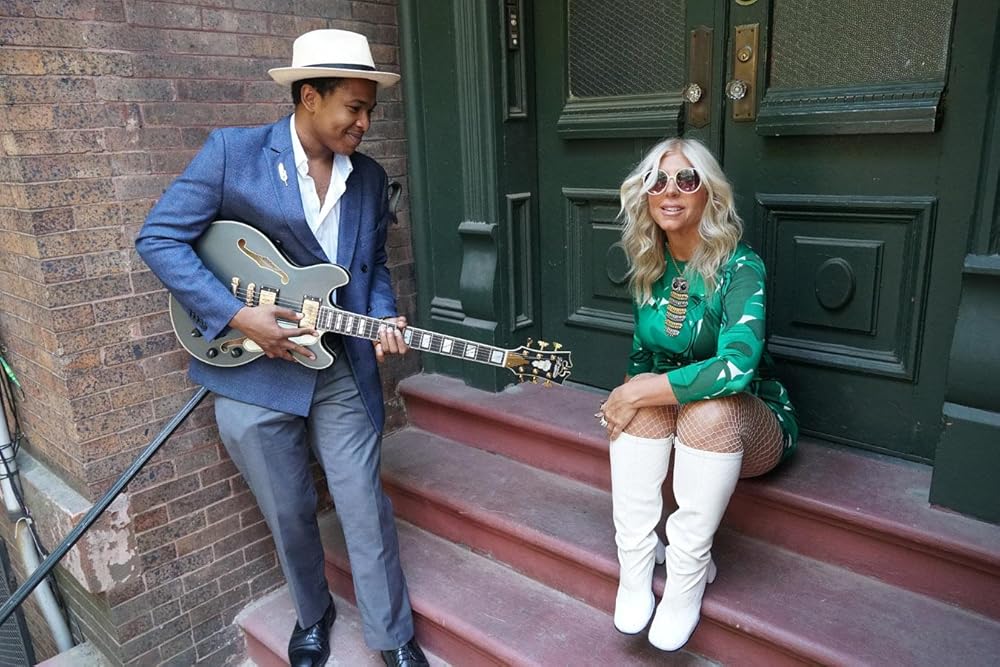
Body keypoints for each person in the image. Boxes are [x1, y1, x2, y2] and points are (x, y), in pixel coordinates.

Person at [135, 30, 429, 667]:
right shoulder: (232, 154)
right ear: (308, 96)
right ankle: (313, 614)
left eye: (371, 109)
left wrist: (381, 316)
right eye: (354, 107)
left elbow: (372, 265)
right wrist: (239, 316)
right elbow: (159, 238)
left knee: (364, 505)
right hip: (255, 372)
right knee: (289, 511)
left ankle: (392, 634)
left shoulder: (370, 178)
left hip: (339, 366)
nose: (365, 122)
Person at [597, 137, 798, 651]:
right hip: (677, 416)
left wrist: (641, 392)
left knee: (702, 409)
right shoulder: (651, 265)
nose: (670, 191)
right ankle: (635, 565)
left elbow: (736, 366)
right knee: (638, 401)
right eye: (657, 180)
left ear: (709, 193)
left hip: (748, 421)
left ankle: (686, 578)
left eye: (686, 180)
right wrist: (630, 398)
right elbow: (642, 358)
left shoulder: (740, 266)